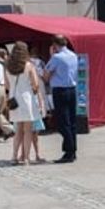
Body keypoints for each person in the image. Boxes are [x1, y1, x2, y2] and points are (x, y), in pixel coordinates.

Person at [6, 41, 45, 165]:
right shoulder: (28, 65)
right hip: (26, 99)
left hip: (14, 100)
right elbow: (35, 83)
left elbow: (6, 84)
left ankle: (14, 156)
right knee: (28, 130)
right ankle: (26, 157)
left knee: (18, 130)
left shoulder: (7, 66)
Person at [45, 34, 79, 163]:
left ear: (54, 45)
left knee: (62, 122)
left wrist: (51, 55)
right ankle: (72, 151)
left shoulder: (56, 58)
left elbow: (46, 75)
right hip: (71, 89)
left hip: (60, 90)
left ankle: (69, 151)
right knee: (72, 122)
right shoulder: (73, 55)